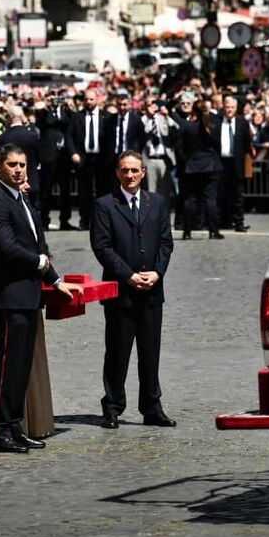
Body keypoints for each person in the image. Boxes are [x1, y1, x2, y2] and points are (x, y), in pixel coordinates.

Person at [0, 144, 79, 453]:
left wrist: (55, 280)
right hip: (9, 296)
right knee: (8, 365)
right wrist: (41, 264)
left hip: (28, 296)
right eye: (12, 164)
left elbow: (38, 245)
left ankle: (13, 424)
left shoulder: (21, 199)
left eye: (22, 164)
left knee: (21, 367)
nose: (19, 169)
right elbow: (7, 247)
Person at [90, 151, 175, 429]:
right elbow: (102, 247)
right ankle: (112, 407)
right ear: (117, 173)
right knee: (117, 352)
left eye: (135, 171)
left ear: (143, 173)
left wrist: (157, 272)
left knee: (150, 352)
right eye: (125, 171)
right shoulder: (105, 205)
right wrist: (127, 275)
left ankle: (152, 406)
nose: (130, 176)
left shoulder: (157, 203)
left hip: (151, 291)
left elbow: (165, 242)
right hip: (121, 292)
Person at [172, 97, 223, 240]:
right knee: (211, 199)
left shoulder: (188, 127)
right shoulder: (213, 126)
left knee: (190, 199)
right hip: (211, 164)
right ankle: (214, 230)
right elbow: (218, 145)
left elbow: (179, 147)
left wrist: (187, 159)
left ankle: (187, 231)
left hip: (193, 165)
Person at [70, 88, 110, 229]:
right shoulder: (77, 116)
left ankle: (101, 221)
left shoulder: (106, 116)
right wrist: (73, 153)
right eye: (86, 99)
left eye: (91, 99)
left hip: (101, 159)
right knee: (84, 192)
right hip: (83, 158)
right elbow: (69, 136)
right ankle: (85, 220)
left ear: (97, 99)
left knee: (102, 191)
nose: (88, 102)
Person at [36, 96, 77, 230]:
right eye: (53, 98)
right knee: (46, 190)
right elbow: (44, 122)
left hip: (64, 157)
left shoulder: (66, 112)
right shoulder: (44, 113)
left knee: (65, 191)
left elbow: (73, 123)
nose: (56, 101)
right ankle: (44, 220)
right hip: (49, 156)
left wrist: (69, 108)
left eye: (58, 98)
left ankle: (65, 220)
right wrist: (47, 108)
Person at [216, 96, 252, 232]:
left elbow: (247, 144)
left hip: (236, 163)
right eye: (227, 107)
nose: (229, 110)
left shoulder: (242, 123)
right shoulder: (217, 122)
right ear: (223, 108)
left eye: (232, 107)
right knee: (220, 193)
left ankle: (239, 222)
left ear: (236, 109)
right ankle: (221, 222)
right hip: (221, 162)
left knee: (238, 195)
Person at [0, 105, 42, 206]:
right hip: (31, 182)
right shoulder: (32, 136)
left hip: (9, 186)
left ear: (10, 117)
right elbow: (38, 158)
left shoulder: (2, 138)